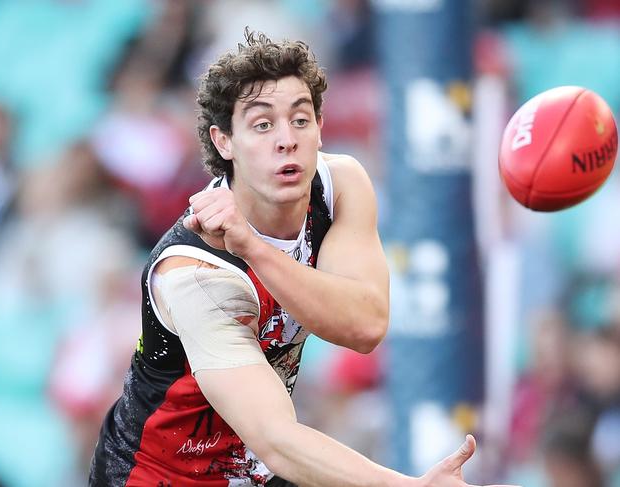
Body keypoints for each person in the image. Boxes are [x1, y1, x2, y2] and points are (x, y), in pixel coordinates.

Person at [90, 29, 516, 487]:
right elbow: (276, 438)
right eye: (261, 125)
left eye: (300, 119)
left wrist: (254, 247)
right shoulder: (194, 273)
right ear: (224, 142)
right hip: (159, 475)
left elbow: (365, 325)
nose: (286, 139)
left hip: (252, 467)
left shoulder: (340, 186)